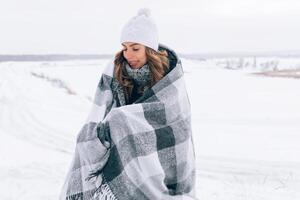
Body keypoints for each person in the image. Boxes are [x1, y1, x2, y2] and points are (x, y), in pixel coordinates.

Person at [60, 8, 196, 200]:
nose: (128, 55)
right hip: (126, 142)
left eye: (135, 48)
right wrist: (96, 134)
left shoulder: (170, 77)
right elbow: (101, 109)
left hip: (159, 143)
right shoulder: (116, 70)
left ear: (150, 49)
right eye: (125, 48)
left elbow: (174, 118)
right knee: (87, 140)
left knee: (120, 118)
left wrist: (125, 120)